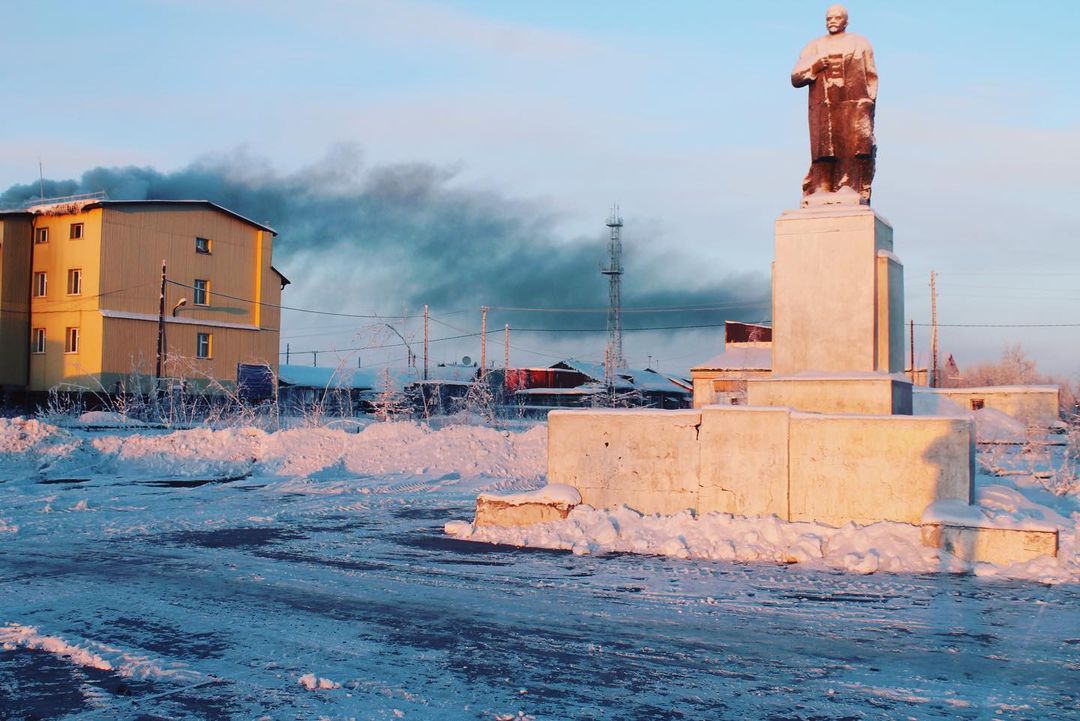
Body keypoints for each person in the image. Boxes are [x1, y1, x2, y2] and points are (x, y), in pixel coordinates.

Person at [791, 4, 877, 203]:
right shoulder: (814, 46)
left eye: (837, 18)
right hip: (823, 104)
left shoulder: (860, 43)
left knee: (852, 144)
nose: (832, 21)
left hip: (852, 103)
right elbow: (796, 77)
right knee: (824, 145)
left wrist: (867, 105)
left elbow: (871, 77)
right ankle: (823, 186)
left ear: (846, 21)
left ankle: (849, 185)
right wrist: (815, 65)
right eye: (829, 18)